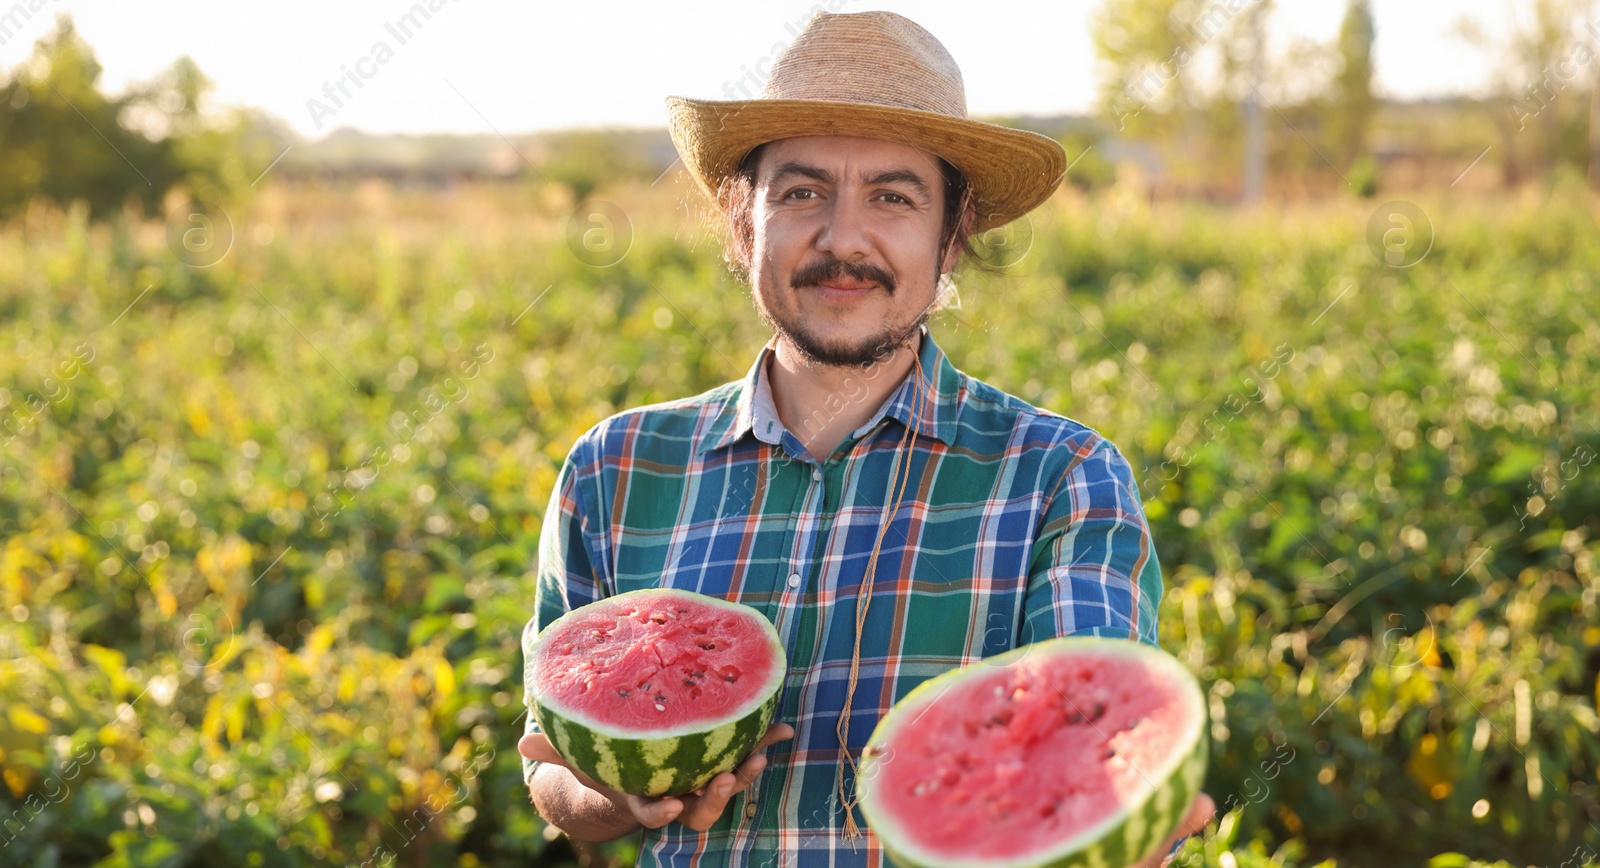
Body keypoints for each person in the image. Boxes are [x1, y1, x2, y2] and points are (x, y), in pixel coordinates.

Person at [518, 10, 1214, 867]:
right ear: (745, 224)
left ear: (953, 236)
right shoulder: (616, 469)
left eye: (893, 197)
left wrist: (1106, 825)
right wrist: (615, 791)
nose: (844, 238)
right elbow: (551, 768)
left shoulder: (1061, 479)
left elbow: (1088, 752)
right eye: (802, 192)